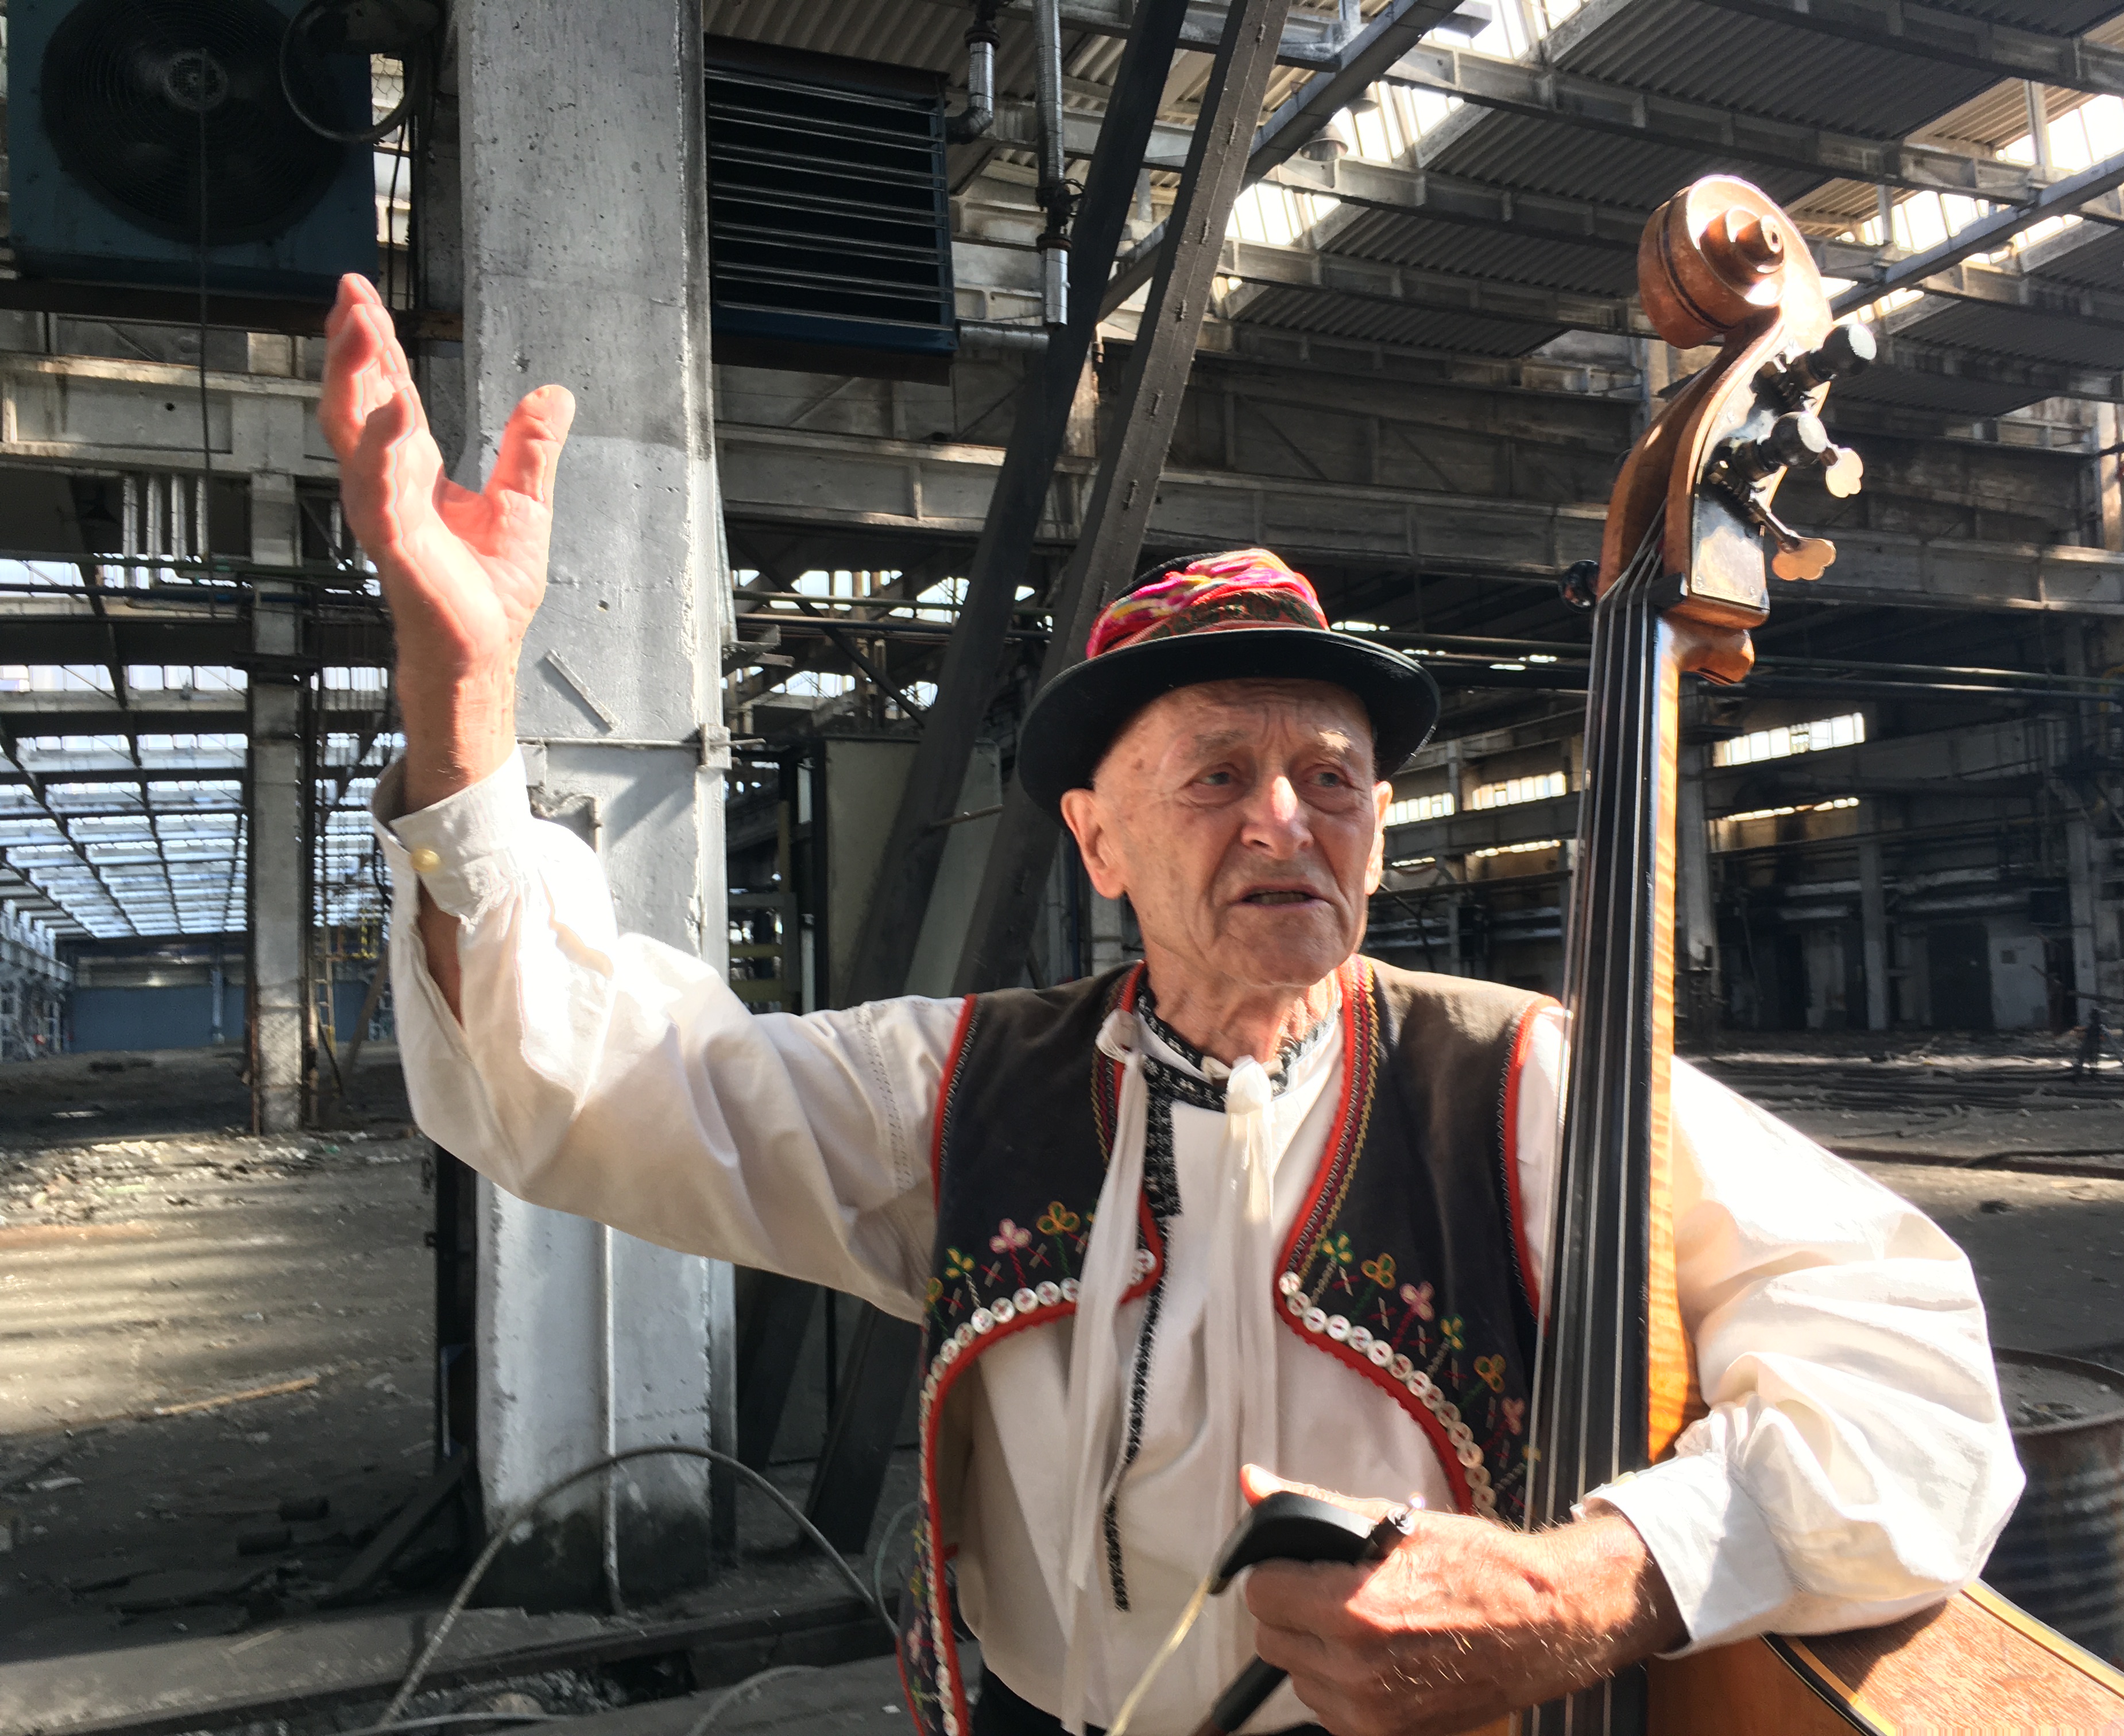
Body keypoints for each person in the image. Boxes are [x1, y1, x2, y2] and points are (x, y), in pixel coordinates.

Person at [323, 274, 2022, 1736]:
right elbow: (589, 1082)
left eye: (1331, 779)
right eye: (1216, 775)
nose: (1286, 822)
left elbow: (1919, 1383)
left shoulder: (1523, 1085)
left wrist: (1605, 1579)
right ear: (1100, 841)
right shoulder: (965, 1088)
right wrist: (465, 707)